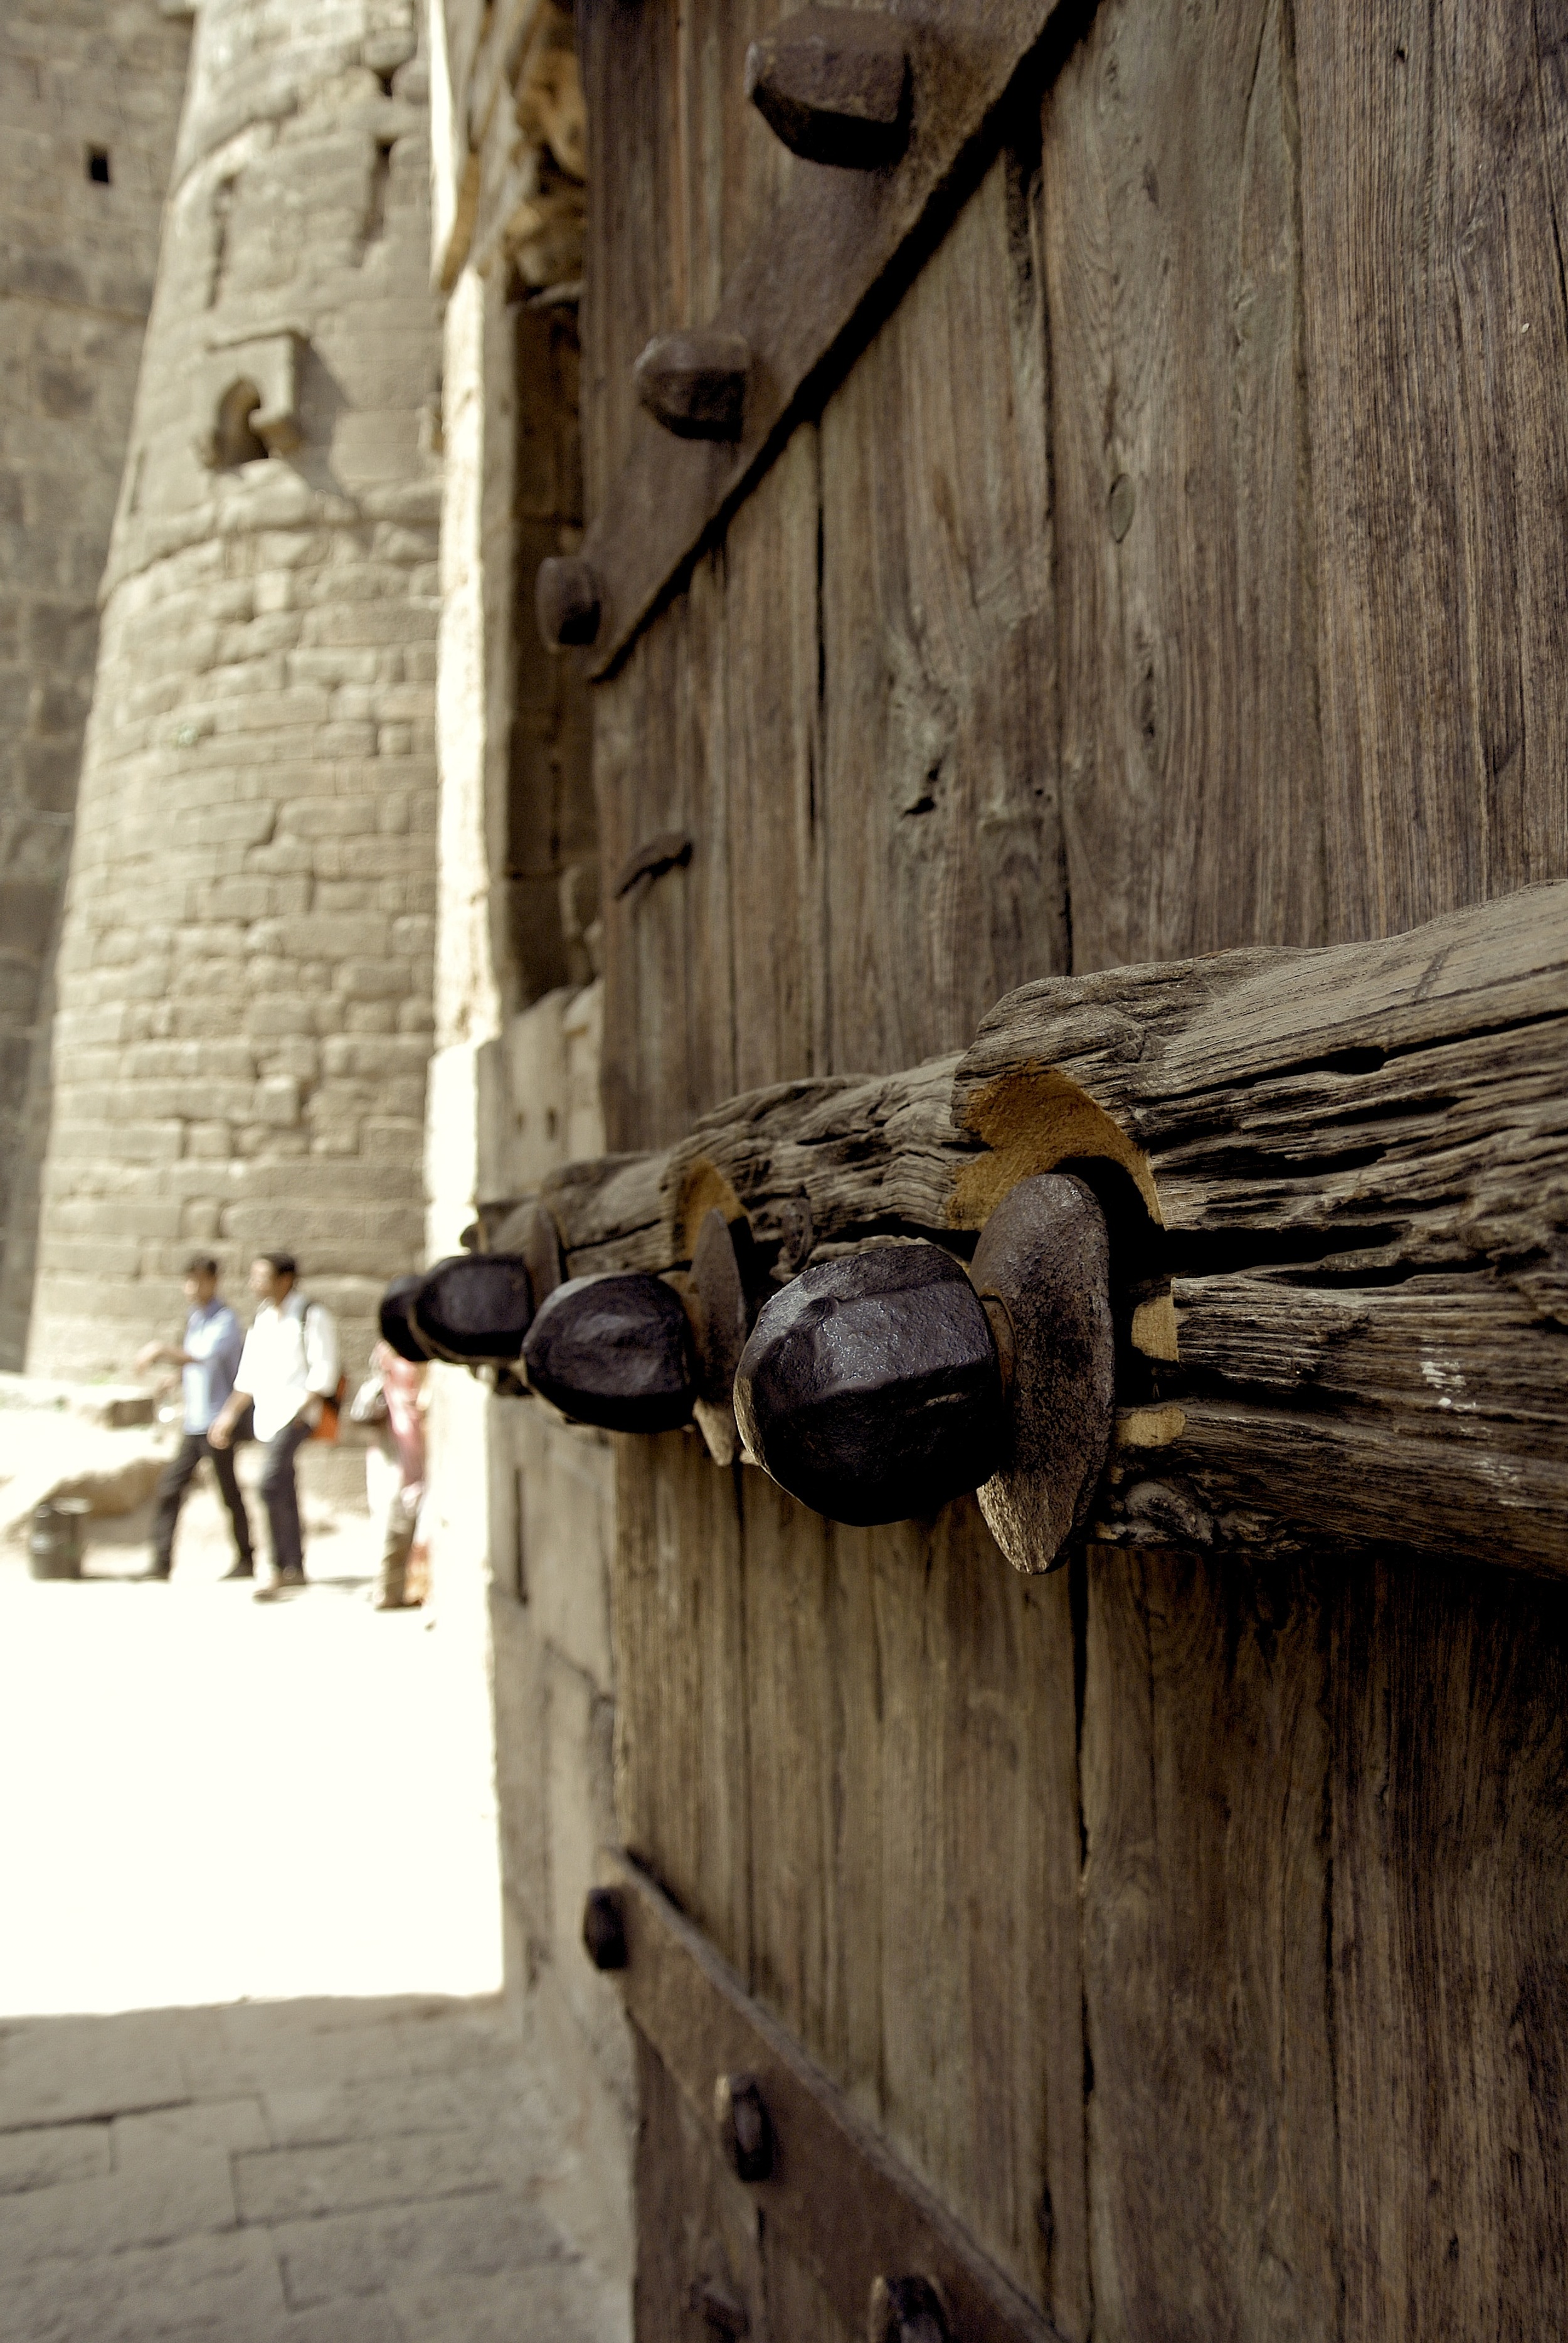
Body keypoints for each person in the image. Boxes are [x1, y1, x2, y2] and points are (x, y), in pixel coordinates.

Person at [209, 1253, 339, 1600]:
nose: (254, 1283)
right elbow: (248, 1378)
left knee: (268, 1482)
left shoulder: (312, 1316)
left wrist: (301, 1412)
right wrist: (227, 1415)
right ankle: (291, 1566)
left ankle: (278, 1565)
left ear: (284, 1280)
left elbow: (324, 1372)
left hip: (297, 1415)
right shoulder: (264, 1319)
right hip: (268, 1415)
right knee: (281, 1484)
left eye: (261, 1276)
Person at [137, 1256, 254, 1581]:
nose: (192, 1288)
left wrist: (160, 1350)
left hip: (218, 1422)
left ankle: (247, 1558)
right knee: (169, 1489)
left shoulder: (225, 1320)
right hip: (195, 1421)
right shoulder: (196, 1318)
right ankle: (161, 1563)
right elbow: (195, 1362)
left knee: (229, 1493)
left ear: (213, 1282)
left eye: (198, 1281)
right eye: (189, 1280)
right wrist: (176, 1377)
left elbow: (204, 1356)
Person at [360, 1338, 428, 1610]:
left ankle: (393, 1587)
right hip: (402, 1441)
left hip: (404, 1438)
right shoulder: (398, 1353)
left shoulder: (396, 1351)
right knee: (399, 1511)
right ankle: (389, 1589)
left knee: (400, 1510)